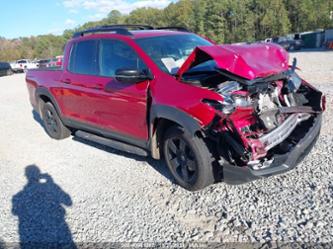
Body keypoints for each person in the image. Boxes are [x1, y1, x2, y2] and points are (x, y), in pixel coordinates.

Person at [12, 165, 75, 249]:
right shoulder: (51, 187)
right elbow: (68, 202)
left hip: (31, 234)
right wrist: (51, 182)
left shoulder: (18, 196)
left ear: (26, 176)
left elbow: (14, 212)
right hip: (58, 227)